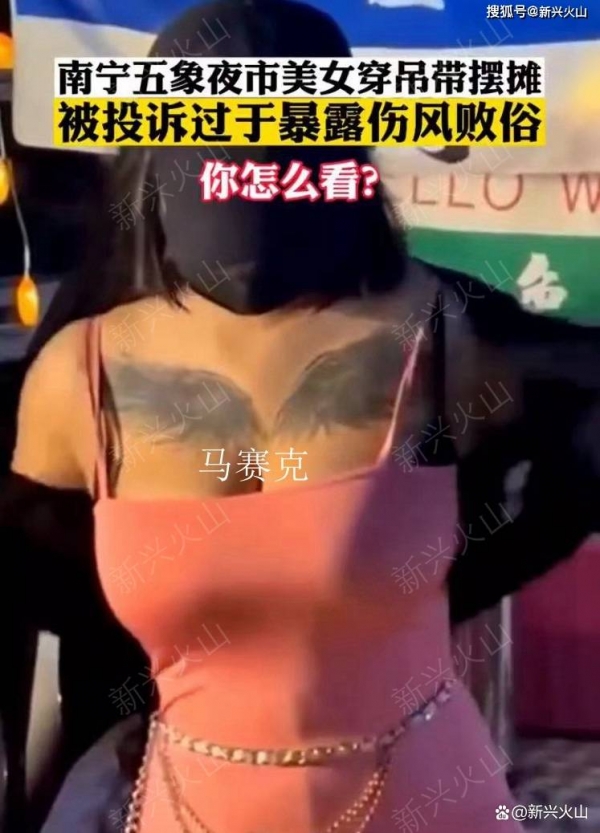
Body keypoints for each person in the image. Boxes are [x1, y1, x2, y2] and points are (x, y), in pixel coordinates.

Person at [6, 1, 600, 831]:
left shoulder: (449, 336)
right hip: (190, 797)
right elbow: (37, 573)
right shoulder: (83, 372)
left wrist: (450, 581)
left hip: (426, 797)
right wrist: (140, 698)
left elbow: (579, 457)